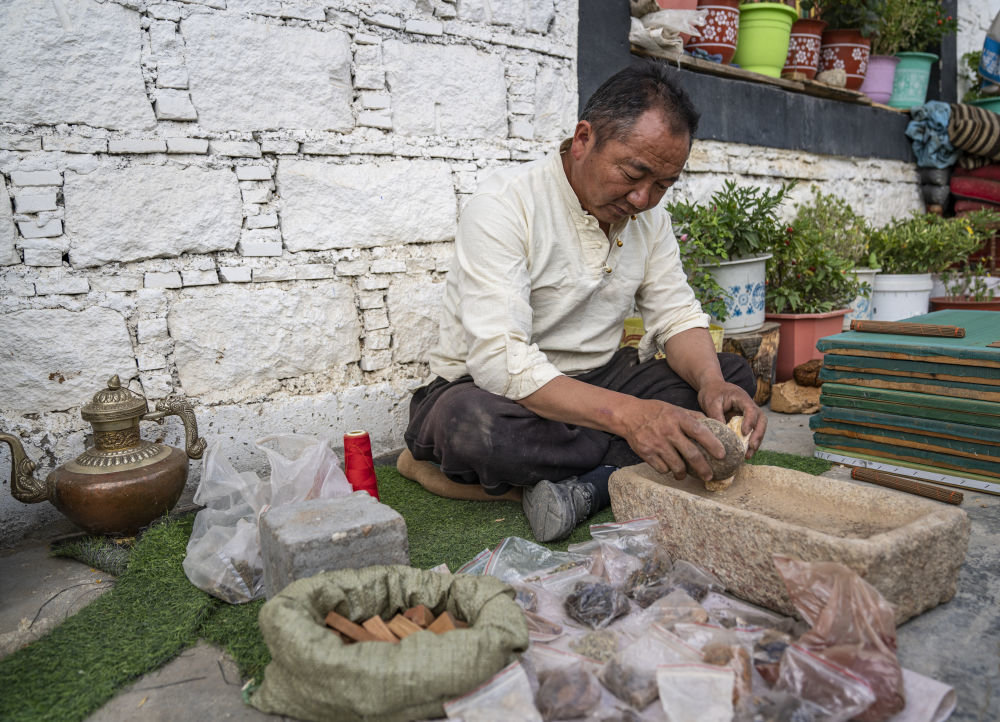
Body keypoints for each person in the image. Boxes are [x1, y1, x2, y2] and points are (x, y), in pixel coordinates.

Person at [400, 60, 766, 542]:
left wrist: (711, 384)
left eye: (663, 185)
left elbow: (676, 314)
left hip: (599, 380)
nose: (643, 199)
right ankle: (614, 472)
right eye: (634, 173)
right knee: (473, 427)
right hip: (496, 391)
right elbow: (500, 361)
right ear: (583, 139)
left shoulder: (650, 219)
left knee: (728, 379)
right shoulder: (504, 205)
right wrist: (634, 418)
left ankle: (581, 485)